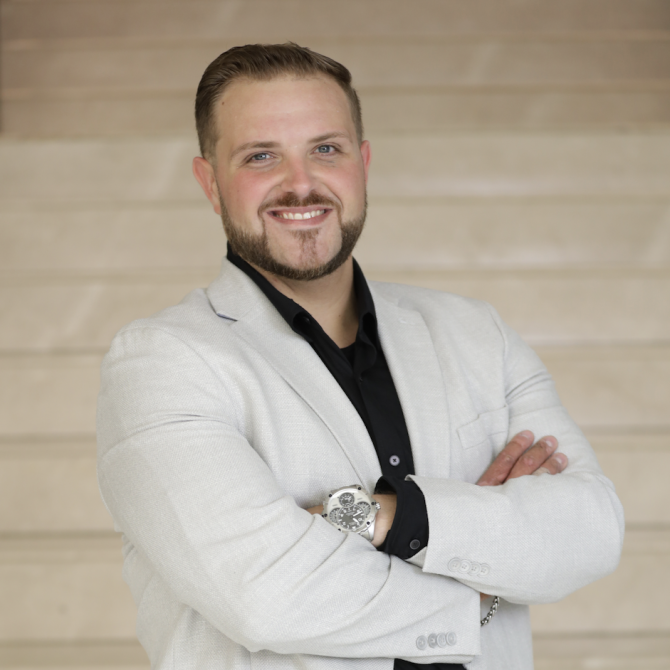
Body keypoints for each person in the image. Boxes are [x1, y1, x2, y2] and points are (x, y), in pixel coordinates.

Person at [96, 43, 624, 670]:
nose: (301, 183)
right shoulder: (161, 362)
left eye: (326, 149)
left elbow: (591, 531)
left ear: (363, 163)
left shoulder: (477, 333)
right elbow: (269, 596)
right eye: (261, 155)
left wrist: (382, 517)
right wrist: (480, 586)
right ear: (210, 183)